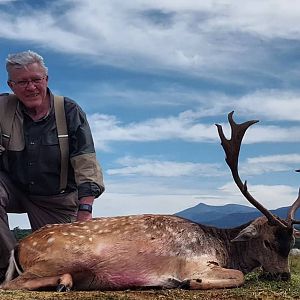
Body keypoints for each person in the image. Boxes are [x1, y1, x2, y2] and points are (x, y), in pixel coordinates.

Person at [0, 50, 105, 281]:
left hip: (55, 199)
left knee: (71, 267)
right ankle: (9, 270)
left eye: (36, 80)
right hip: (14, 189)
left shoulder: (69, 111)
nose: (31, 87)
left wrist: (84, 213)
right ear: (11, 84)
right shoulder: (2, 108)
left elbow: (86, 163)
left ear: (46, 79)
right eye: (22, 82)